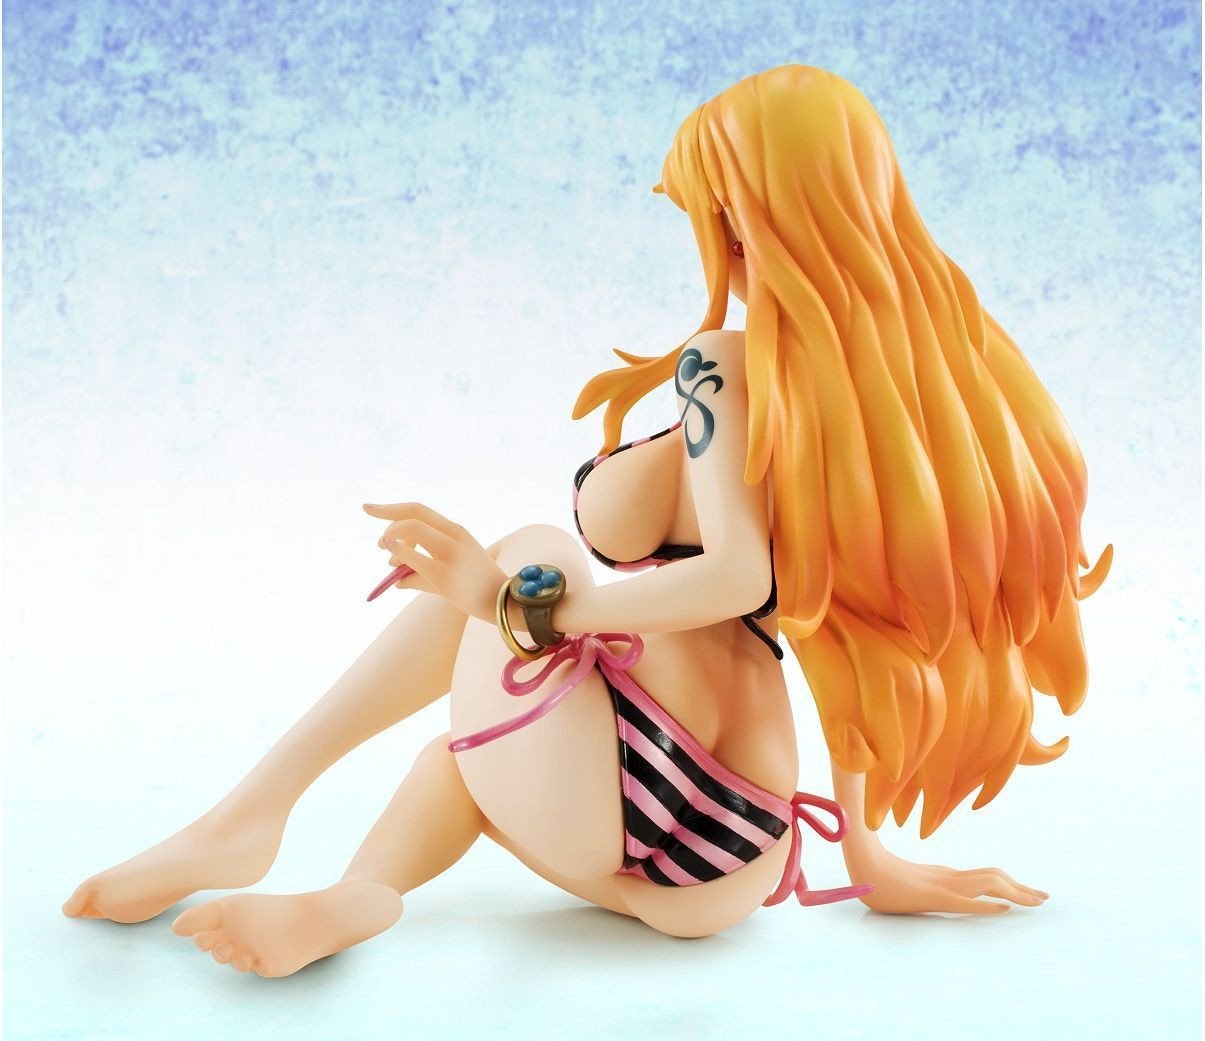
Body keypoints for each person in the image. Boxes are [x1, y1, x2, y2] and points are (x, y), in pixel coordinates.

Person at [62, 65, 1111, 978]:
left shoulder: (726, 367)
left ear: (751, 214)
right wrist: (871, 861)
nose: (710, 238)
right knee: (456, 761)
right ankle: (355, 894)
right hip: (729, 861)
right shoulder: (904, 398)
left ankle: (252, 815)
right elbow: (850, 638)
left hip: (628, 780)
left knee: (529, 558)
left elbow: (736, 578)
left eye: (713, 210)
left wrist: (522, 606)